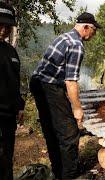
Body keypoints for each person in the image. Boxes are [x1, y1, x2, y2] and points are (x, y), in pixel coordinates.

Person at [29, 12, 101, 179]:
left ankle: (58, 171)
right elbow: (70, 81)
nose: (94, 34)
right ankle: (70, 175)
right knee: (69, 133)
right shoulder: (76, 44)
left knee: (51, 130)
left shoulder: (64, 37)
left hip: (38, 84)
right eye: (94, 30)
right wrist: (77, 109)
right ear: (85, 27)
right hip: (50, 87)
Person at [0, 2, 25, 180]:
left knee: (7, 158)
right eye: (0, 25)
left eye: (7, 26)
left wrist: (20, 106)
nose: (3, 30)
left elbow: (14, 82)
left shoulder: (11, 52)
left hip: (9, 117)